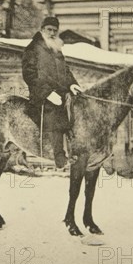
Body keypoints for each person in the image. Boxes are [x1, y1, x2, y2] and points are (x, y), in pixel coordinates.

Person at [22, 16, 82, 169]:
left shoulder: (56, 48)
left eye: (55, 30)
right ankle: (59, 157)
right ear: (42, 30)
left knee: (78, 111)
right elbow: (29, 75)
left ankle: (76, 150)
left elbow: (65, 70)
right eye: (49, 30)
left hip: (61, 93)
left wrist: (73, 84)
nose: (52, 33)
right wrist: (47, 93)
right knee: (54, 115)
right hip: (41, 96)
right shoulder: (32, 48)